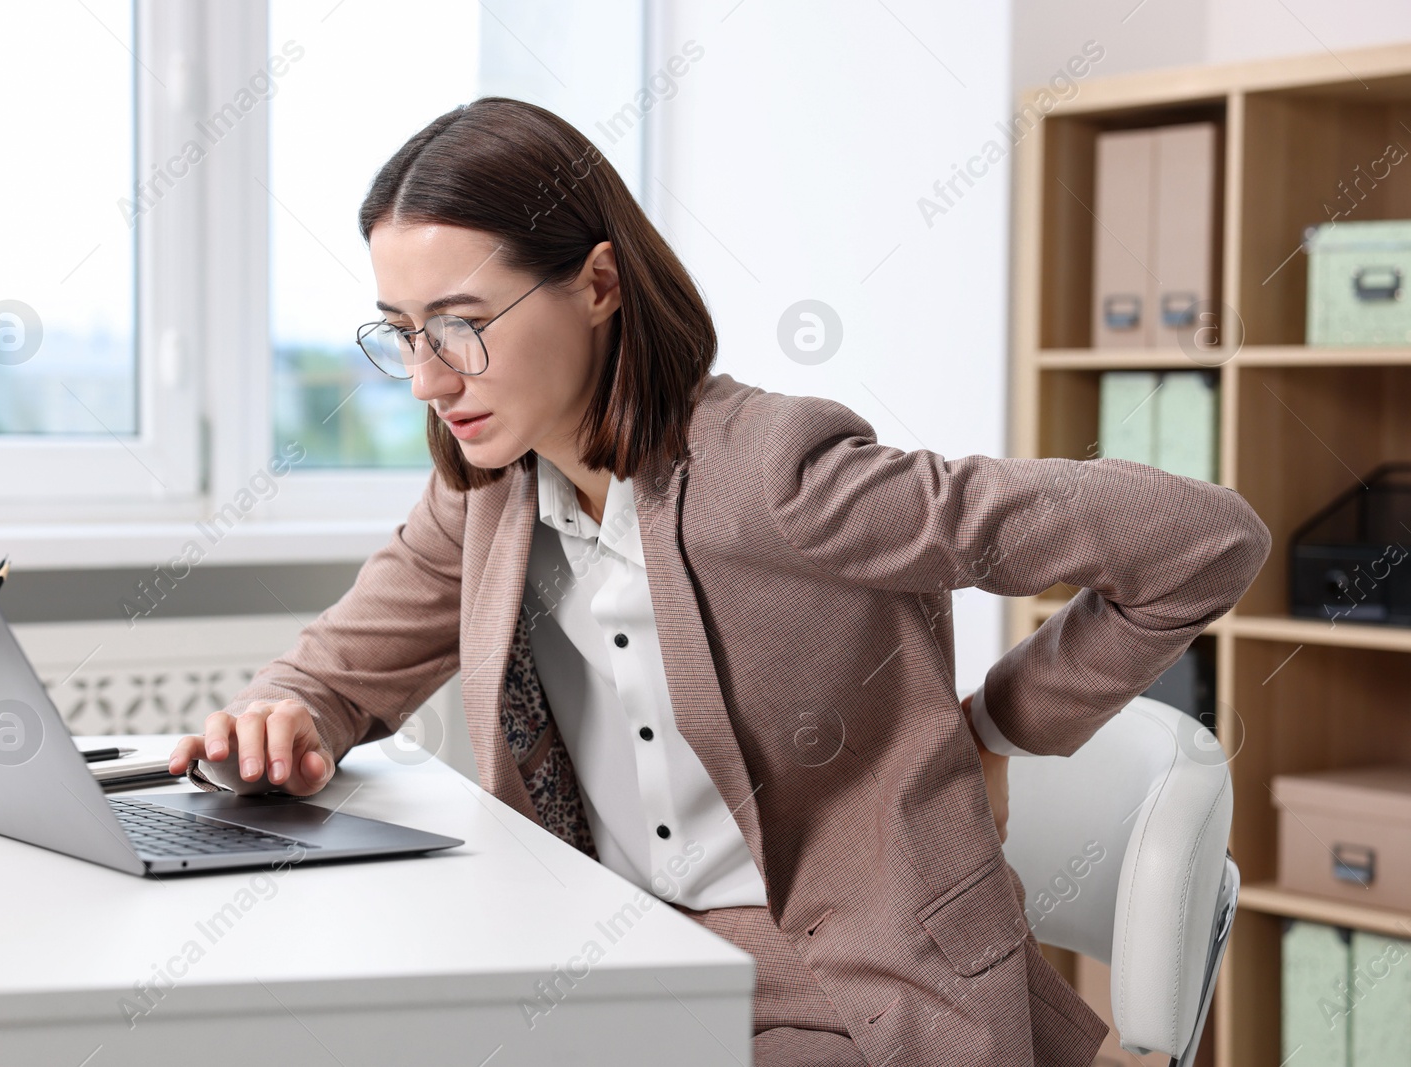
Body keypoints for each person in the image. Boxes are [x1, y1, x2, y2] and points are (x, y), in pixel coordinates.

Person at [167, 96, 1270, 1066]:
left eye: (460, 325)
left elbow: (1198, 539)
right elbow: (333, 671)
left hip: (843, 992)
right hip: (608, 963)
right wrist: (283, 714)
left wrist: (997, 726)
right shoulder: (486, 490)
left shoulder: (773, 477)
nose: (424, 378)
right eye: (401, 334)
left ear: (597, 283)